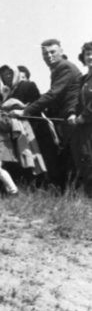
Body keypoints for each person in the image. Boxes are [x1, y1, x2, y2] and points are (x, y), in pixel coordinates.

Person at [11, 39, 81, 190]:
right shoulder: (57, 69)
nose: (49, 56)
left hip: (71, 116)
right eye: (45, 54)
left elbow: (53, 94)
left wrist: (26, 111)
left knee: (76, 158)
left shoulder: (64, 67)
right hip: (64, 118)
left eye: (52, 52)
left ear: (61, 51)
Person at [69, 41, 92, 197]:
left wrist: (84, 116)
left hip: (88, 123)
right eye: (88, 54)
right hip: (84, 129)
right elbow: (74, 100)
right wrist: (71, 113)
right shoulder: (83, 80)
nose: (91, 57)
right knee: (86, 161)